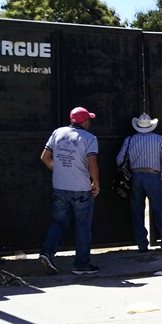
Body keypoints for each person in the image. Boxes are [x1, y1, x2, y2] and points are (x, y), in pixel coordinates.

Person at [39, 106, 100, 275]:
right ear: (85, 121)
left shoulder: (58, 133)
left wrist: (59, 170)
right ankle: (81, 264)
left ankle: (47, 252)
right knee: (82, 226)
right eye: (89, 119)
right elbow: (92, 163)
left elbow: (44, 157)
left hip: (59, 186)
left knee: (58, 222)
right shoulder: (89, 138)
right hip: (81, 189)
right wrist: (96, 183)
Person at [117, 112, 162, 253]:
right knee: (160, 210)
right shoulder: (159, 139)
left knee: (137, 211)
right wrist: (159, 176)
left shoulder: (130, 140)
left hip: (135, 177)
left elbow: (119, 160)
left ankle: (142, 245)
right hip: (153, 176)